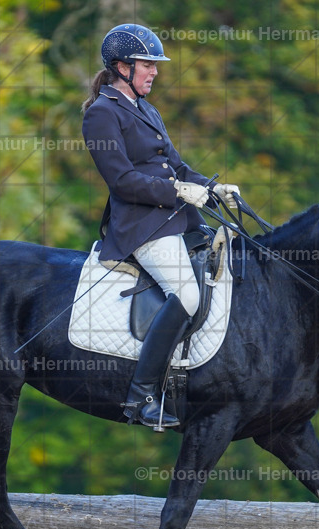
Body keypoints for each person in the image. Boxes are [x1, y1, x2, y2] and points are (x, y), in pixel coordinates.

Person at [81, 23, 238, 429]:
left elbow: (178, 166)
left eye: (155, 65)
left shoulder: (147, 109)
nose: (155, 72)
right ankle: (142, 397)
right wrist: (179, 192)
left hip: (178, 218)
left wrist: (212, 188)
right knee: (185, 296)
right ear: (122, 66)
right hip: (141, 226)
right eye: (147, 65)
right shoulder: (101, 115)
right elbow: (122, 181)